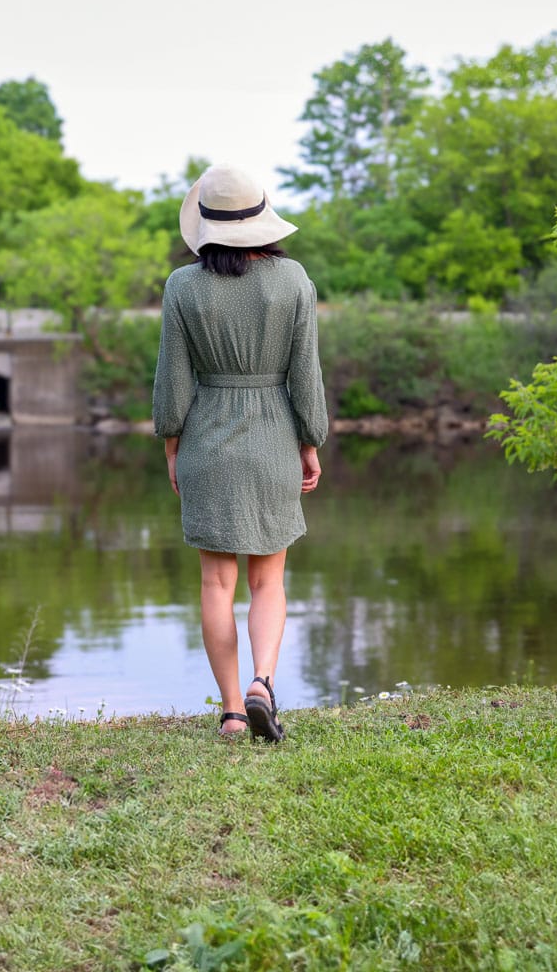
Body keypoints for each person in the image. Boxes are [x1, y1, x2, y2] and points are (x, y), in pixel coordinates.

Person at [152, 164, 327, 743]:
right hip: (274, 436)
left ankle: (230, 712)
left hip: (207, 440)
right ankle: (263, 683)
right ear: (262, 220)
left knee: (215, 585)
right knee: (269, 580)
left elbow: (172, 384)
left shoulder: (183, 287)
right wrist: (310, 441)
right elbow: (306, 375)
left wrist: (173, 448)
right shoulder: (294, 280)